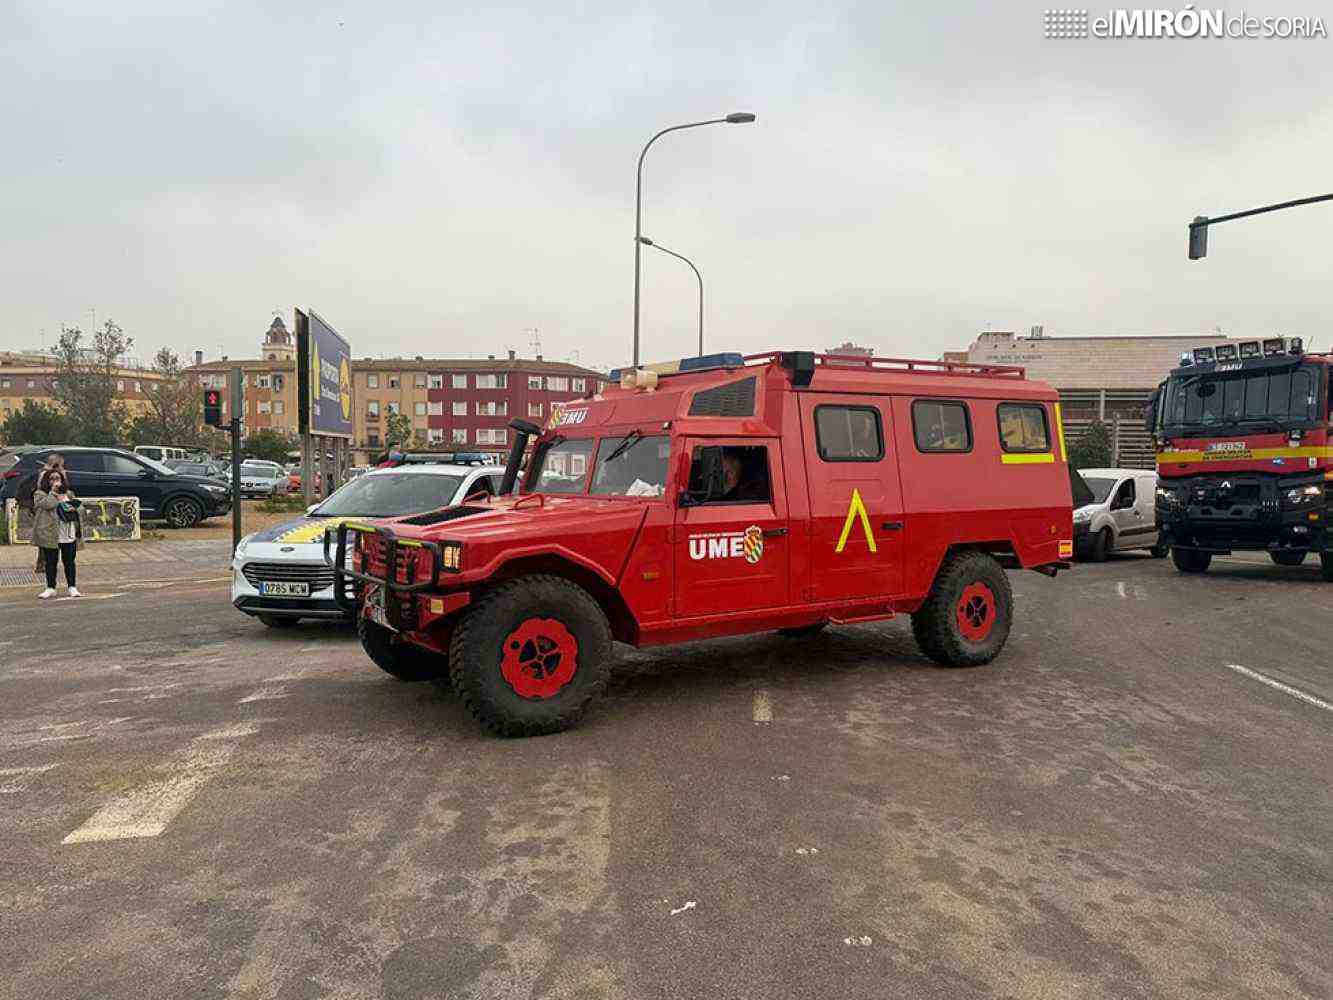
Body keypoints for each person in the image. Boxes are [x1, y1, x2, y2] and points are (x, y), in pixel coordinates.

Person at [32, 467, 81, 599]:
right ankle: (50, 587)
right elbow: (47, 505)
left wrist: (74, 507)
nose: (55, 481)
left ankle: (72, 587)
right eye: (52, 479)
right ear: (47, 481)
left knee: (69, 561)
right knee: (51, 562)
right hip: (50, 533)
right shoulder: (40, 494)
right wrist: (54, 493)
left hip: (68, 532)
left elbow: (80, 508)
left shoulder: (69, 494)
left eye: (57, 478)